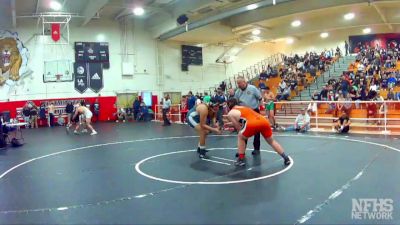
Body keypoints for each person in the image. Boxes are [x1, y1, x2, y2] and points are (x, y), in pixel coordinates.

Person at [225, 98, 291, 166]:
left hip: (252, 123)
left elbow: (238, 127)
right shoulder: (244, 107)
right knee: (271, 141)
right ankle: (286, 158)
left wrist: (240, 131)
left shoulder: (230, 113)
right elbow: (244, 120)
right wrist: (230, 124)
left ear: (229, 104)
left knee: (240, 136)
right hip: (263, 120)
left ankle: (241, 159)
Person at [234, 76, 262, 155]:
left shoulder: (252, 88)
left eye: (239, 83)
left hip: (254, 111)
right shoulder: (237, 92)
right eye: (237, 83)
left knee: (256, 131)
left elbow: (260, 98)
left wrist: (261, 109)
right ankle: (242, 150)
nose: (238, 85)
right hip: (244, 113)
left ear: (244, 82)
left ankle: (256, 149)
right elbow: (236, 103)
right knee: (243, 131)